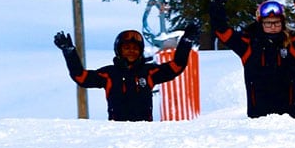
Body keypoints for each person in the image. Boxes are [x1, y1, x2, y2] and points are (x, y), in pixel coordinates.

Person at [206, 0, 295, 119]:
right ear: (260, 23)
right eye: (268, 23)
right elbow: (221, 31)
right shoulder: (248, 44)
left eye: (276, 22)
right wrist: (217, 2)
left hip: (291, 119)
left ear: (283, 23)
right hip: (258, 122)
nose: (273, 26)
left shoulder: (294, 44)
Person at [53, 23, 197, 122]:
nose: (131, 51)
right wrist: (69, 53)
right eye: (127, 47)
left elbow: (177, 66)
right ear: (119, 50)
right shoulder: (109, 73)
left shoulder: (149, 72)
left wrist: (186, 42)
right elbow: (81, 77)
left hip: (146, 132)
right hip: (116, 134)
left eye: (135, 48)